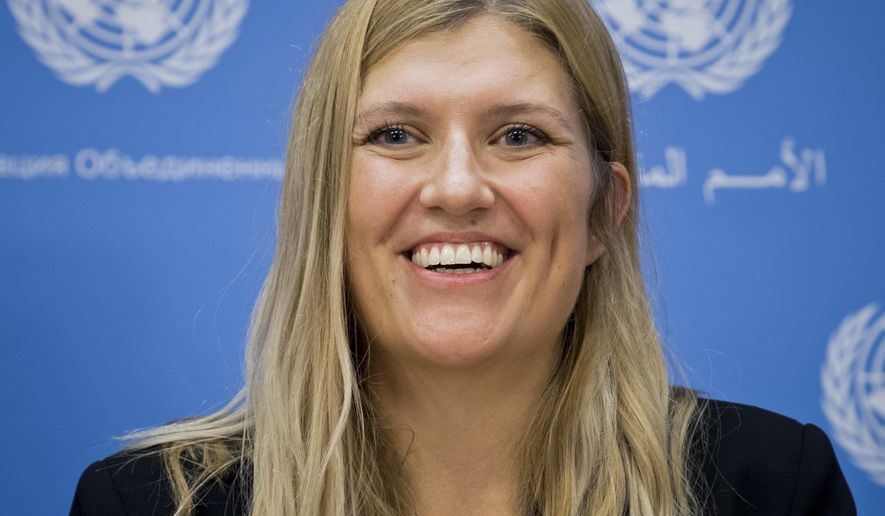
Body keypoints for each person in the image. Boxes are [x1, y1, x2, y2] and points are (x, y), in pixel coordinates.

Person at [70, 1, 856, 515]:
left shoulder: (770, 486)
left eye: (519, 136)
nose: (455, 187)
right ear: (321, 205)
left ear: (602, 214)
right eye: (395, 135)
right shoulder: (145, 503)